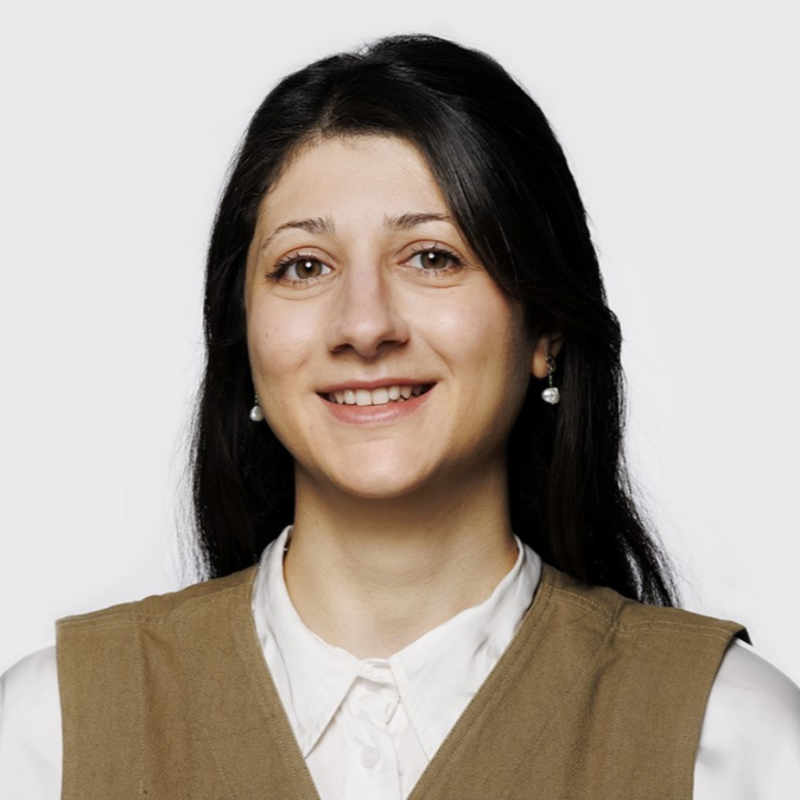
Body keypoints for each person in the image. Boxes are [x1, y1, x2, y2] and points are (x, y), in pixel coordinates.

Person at [1, 33, 798, 799]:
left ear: (545, 330)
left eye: (432, 257)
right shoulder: (50, 733)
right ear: (244, 338)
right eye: (303, 267)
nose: (364, 324)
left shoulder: (733, 736)